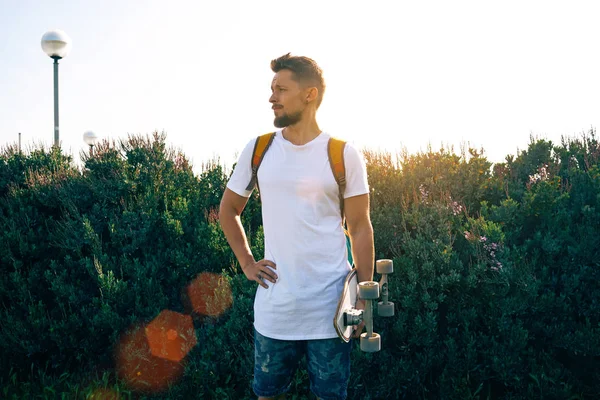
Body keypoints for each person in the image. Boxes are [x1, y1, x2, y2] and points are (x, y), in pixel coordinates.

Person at [219, 53, 374, 400]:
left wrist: (364, 297)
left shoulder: (343, 154)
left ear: (310, 94)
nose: (272, 97)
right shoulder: (259, 149)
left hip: (331, 312)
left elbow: (361, 228)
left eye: (281, 89)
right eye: (272, 89)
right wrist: (246, 263)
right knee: (267, 395)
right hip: (276, 311)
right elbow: (229, 210)